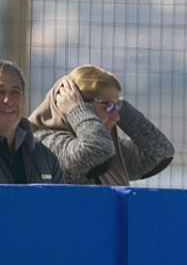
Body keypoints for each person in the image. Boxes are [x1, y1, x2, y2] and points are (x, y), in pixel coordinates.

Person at [29, 64, 173, 186]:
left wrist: (119, 105)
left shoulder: (104, 144)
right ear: (75, 103)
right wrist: (77, 110)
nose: (117, 117)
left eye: (117, 108)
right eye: (108, 106)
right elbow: (96, 154)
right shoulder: (46, 144)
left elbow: (159, 153)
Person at [0, 60, 65, 184]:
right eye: (0, 91)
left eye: (15, 92)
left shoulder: (45, 158)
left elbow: (60, 202)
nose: (7, 100)